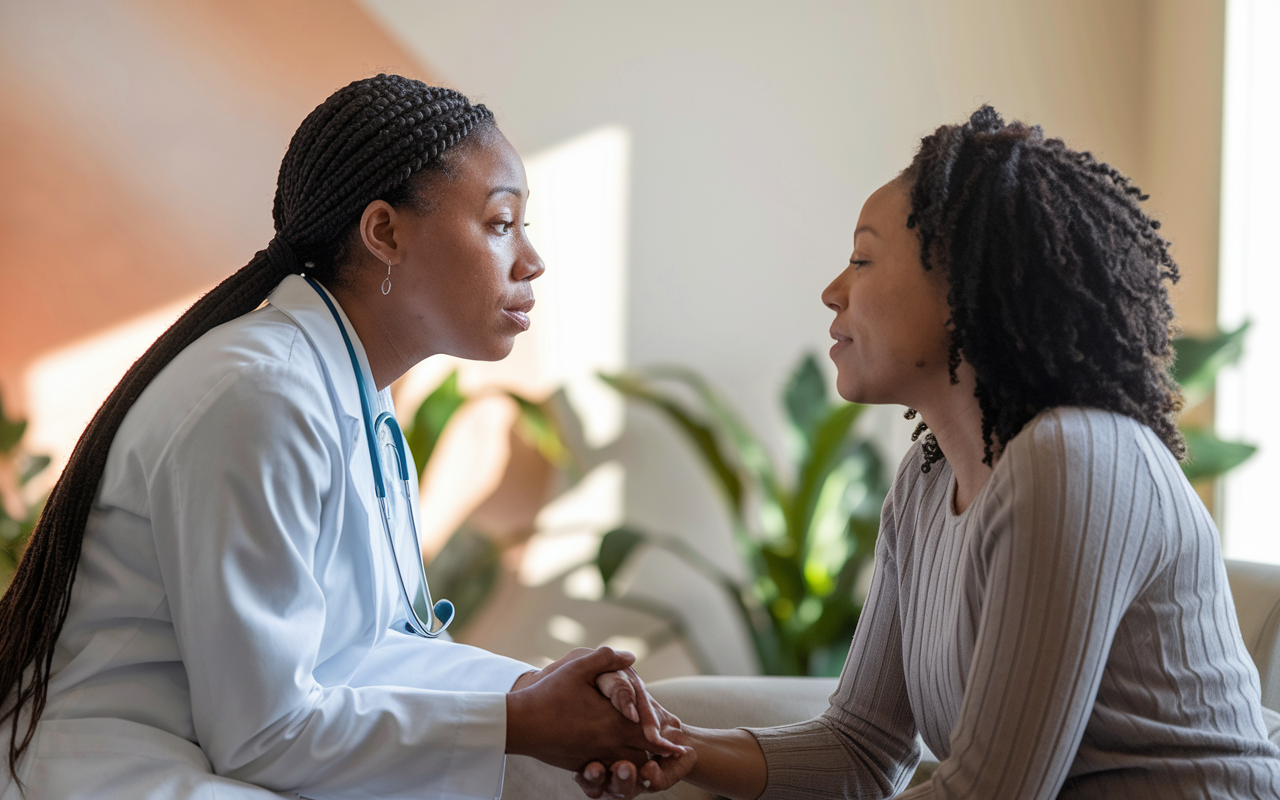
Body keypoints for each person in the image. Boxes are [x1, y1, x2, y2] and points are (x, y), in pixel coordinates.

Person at [0, 74, 684, 800]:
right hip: (120, 770)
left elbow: (364, 656)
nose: (532, 261)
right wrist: (518, 722)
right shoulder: (261, 398)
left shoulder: (349, 391)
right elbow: (263, 736)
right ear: (385, 232)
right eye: (500, 223)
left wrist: (542, 692)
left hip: (212, 751)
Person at [577, 107, 1280, 799]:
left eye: (861, 258)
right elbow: (860, 748)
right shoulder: (927, 477)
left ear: (965, 282)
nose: (832, 291)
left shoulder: (1077, 457)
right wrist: (681, 746)